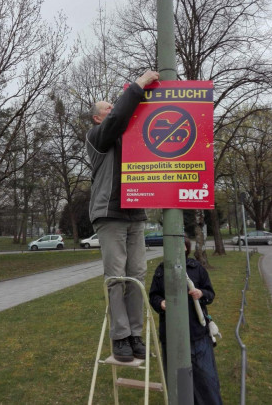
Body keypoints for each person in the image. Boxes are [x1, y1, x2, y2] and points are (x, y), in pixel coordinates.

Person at [86, 70, 160, 362]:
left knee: (137, 276)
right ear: (97, 118)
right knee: (116, 277)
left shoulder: (132, 138)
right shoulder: (97, 137)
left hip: (135, 215)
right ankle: (120, 337)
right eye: (107, 108)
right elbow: (118, 117)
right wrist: (138, 85)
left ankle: (135, 334)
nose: (113, 110)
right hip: (110, 214)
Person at [149, 238, 223, 405]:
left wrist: (201, 294)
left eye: (181, 245)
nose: (176, 248)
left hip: (198, 335)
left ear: (186, 248)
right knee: (179, 382)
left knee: (206, 380)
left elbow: (210, 292)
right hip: (172, 336)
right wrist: (160, 303)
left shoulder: (196, 268)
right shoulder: (161, 270)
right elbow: (153, 295)